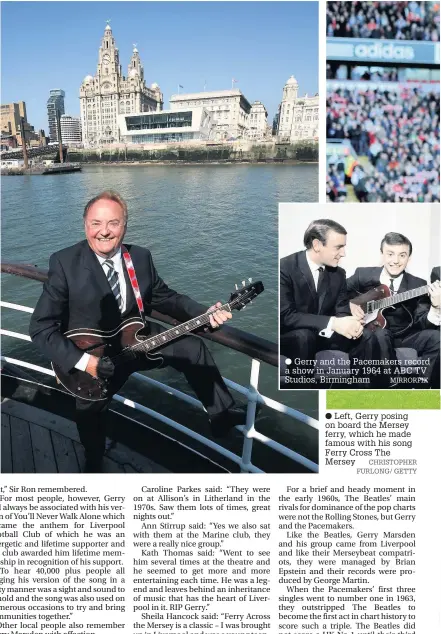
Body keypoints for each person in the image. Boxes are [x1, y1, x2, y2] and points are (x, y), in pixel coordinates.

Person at [29, 191, 252, 471]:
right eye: (96, 223)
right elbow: (40, 327)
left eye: (113, 223)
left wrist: (204, 313)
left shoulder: (140, 257)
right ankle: (93, 459)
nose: (104, 231)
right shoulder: (65, 262)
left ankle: (221, 414)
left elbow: (165, 298)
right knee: (91, 418)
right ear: (85, 224)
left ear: (125, 226)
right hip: (93, 359)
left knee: (192, 348)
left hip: (136, 341)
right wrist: (88, 363)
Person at [279, 219, 379, 387]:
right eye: (338, 247)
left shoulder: (339, 274)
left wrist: (351, 323)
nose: (344, 253)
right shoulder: (284, 268)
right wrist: (333, 323)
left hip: (323, 335)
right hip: (292, 336)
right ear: (317, 244)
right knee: (304, 337)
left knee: (367, 336)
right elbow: (286, 316)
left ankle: (360, 393)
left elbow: (341, 310)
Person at [347, 233, 440, 388]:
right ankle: (391, 387)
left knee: (437, 337)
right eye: (390, 254)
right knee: (380, 333)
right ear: (382, 254)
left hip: (404, 336)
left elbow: (422, 322)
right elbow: (337, 294)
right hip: (370, 333)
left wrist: (436, 307)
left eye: (402, 255)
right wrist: (350, 304)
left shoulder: (419, 284)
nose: (395, 261)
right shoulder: (362, 275)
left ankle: (422, 390)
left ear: (408, 258)